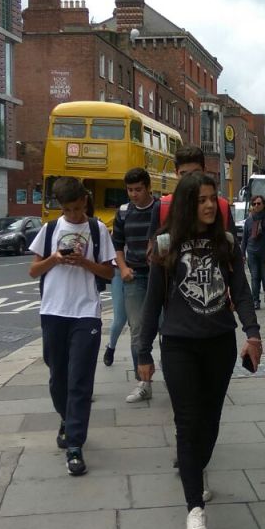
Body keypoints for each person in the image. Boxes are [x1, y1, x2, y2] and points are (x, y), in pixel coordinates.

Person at [137, 173, 261, 529]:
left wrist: (252, 333)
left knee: (209, 422)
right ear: (187, 204)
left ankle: (194, 467)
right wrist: (143, 351)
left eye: (212, 198)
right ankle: (194, 508)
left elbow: (241, 292)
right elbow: (152, 302)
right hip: (179, 345)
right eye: (201, 199)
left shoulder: (226, 242)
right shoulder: (165, 244)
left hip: (219, 343)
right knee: (187, 424)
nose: (209, 205)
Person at [28, 176, 115, 476]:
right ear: (60, 207)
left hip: (86, 312)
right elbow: (33, 271)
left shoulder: (97, 229)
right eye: (69, 210)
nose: (75, 215)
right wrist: (54, 258)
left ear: (85, 201)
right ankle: (66, 418)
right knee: (58, 376)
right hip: (53, 310)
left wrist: (85, 263)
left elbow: (109, 273)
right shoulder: (50, 230)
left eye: (78, 208)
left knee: (79, 379)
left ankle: (75, 445)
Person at [109, 168, 159, 403]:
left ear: (148, 187)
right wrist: (123, 268)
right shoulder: (123, 213)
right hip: (134, 277)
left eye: (138, 189)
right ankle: (144, 383)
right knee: (137, 329)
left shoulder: (160, 209)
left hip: (160, 276)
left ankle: (176, 375)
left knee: (166, 327)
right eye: (130, 190)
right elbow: (117, 245)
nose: (134, 194)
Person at [243, 196, 265, 308]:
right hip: (252, 253)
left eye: (258, 203)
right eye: (254, 204)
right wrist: (242, 254)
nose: (256, 206)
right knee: (255, 277)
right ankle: (255, 301)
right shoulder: (249, 221)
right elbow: (244, 239)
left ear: (264, 205)